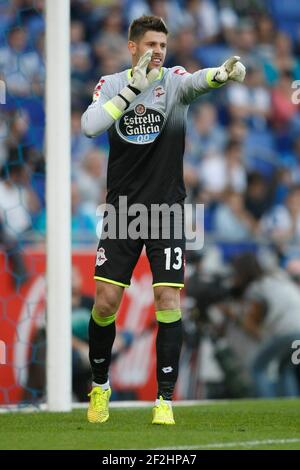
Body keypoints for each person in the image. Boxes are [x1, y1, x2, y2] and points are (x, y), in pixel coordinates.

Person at [81, 15, 246, 425]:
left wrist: (221, 75)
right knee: (105, 302)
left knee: (168, 301)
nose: (158, 51)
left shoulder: (173, 82)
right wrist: (133, 89)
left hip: (168, 212)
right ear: (133, 47)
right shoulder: (112, 84)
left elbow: (197, 81)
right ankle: (100, 386)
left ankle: (164, 401)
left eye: (163, 45)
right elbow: (89, 126)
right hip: (122, 212)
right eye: (151, 44)